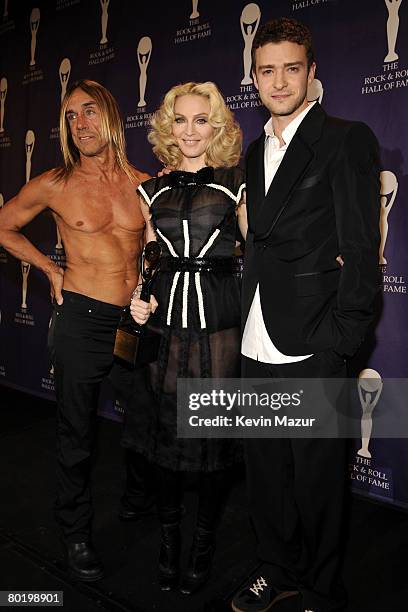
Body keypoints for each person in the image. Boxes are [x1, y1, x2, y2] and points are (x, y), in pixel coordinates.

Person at [232, 18, 380, 612]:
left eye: (292, 68)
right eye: (267, 70)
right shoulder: (251, 149)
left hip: (316, 335)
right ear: (255, 78)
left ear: (312, 73)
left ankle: (321, 585)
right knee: (266, 471)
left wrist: (344, 338)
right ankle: (277, 566)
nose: (279, 80)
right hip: (257, 333)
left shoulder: (345, 139)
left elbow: (362, 246)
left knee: (318, 478)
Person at [0, 79, 153, 582]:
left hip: (131, 321)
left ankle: (136, 497)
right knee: (76, 433)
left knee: (146, 421)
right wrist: (49, 267)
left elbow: (158, 249)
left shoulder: (143, 182)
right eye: (70, 116)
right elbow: (4, 225)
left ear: (110, 115)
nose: (80, 124)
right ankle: (76, 532)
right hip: (82, 318)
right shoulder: (55, 184)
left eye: (89, 112)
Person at [124, 81, 247, 594]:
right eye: (181, 119)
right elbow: (149, 257)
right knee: (167, 437)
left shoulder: (235, 184)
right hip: (165, 319)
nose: (191, 130)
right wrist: (138, 294)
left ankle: (202, 541)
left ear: (216, 127)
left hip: (219, 316)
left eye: (202, 120)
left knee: (213, 438)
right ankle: (170, 540)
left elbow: (258, 251)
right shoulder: (151, 190)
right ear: (167, 127)